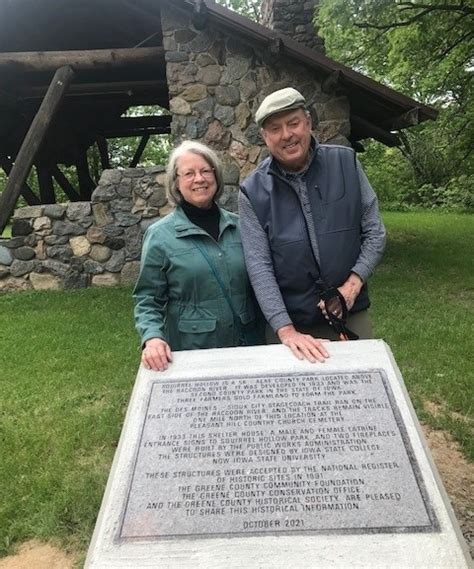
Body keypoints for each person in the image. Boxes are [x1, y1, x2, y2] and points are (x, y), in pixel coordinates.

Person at [239, 87, 386, 363]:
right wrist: (286, 331)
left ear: (307, 122)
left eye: (293, 123)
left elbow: (374, 231)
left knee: (360, 396)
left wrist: (351, 287)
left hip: (350, 314)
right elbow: (259, 267)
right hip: (291, 326)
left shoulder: (347, 163)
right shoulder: (252, 191)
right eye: (275, 128)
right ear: (264, 137)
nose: (287, 135)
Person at [134, 140, 263, 371]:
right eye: (189, 173)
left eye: (205, 170)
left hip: (246, 348)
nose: (199, 179)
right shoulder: (160, 236)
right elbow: (148, 299)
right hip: (192, 352)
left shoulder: (240, 227)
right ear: (176, 183)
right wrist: (152, 338)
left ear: (216, 176)